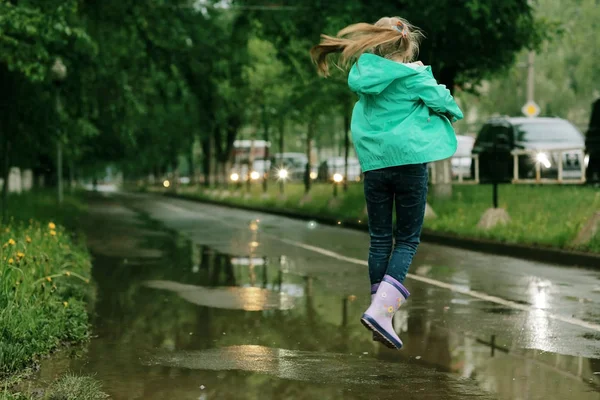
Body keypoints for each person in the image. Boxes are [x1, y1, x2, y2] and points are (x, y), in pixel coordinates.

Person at [310, 17, 463, 349]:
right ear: (406, 47)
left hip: (375, 167)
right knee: (406, 240)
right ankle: (381, 311)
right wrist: (425, 75)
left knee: (380, 240)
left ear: (376, 45)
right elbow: (449, 107)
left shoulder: (364, 80)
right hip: (409, 165)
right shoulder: (413, 76)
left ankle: (380, 312)